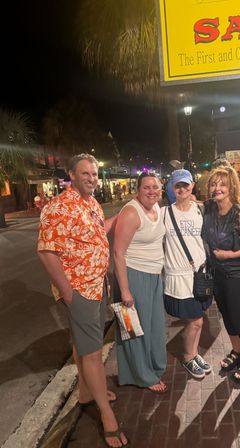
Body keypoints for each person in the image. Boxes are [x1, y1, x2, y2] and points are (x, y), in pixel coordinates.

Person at [37, 153, 128, 448]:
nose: (92, 178)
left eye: (94, 174)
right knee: (92, 353)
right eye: (86, 173)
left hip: (98, 285)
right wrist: (68, 292)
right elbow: (47, 252)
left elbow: (94, 234)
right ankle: (106, 415)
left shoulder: (90, 203)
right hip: (81, 290)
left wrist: (122, 215)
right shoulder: (57, 207)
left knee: (82, 343)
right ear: (72, 175)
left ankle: (87, 393)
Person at [201, 167, 240, 384]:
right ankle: (236, 353)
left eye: (222, 184)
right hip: (218, 273)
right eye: (213, 184)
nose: (217, 188)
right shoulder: (208, 208)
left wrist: (230, 255)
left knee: (238, 317)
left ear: (231, 187)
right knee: (226, 316)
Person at [113, 172, 167, 393]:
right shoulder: (131, 212)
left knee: (153, 326)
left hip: (154, 275)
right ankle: (141, 375)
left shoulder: (157, 208)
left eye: (155, 187)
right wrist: (125, 290)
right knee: (134, 328)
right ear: (138, 189)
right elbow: (117, 253)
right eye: (146, 187)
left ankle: (153, 365)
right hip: (134, 276)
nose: (152, 191)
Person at [161, 169, 212, 379]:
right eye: (177, 185)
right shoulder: (164, 213)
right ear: (172, 188)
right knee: (196, 320)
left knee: (197, 319)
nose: (182, 189)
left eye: (185, 184)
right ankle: (188, 356)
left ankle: (194, 353)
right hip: (178, 276)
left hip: (199, 275)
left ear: (192, 185)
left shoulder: (200, 210)